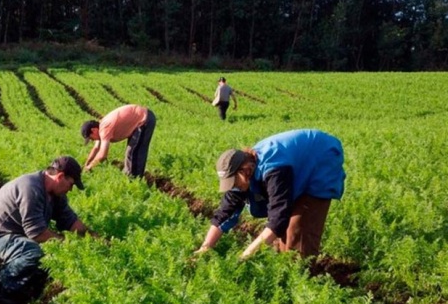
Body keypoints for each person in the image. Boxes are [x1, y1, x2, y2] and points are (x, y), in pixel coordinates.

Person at [194, 129, 346, 260]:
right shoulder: (244, 176)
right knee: (283, 234)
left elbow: (278, 218)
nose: (233, 187)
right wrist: (205, 248)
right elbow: (224, 214)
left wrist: (246, 255)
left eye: (233, 182)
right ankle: (283, 267)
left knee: (298, 232)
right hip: (296, 165)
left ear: (245, 171)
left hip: (321, 158)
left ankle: (299, 276)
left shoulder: (274, 169)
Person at [0, 156, 96, 304]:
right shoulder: (31, 188)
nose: (70, 189)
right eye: (71, 184)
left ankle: (27, 287)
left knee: (43, 255)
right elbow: (37, 234)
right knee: (33, 252)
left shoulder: (56, 194)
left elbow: (70, 221)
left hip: (15, 235)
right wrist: (68, 243)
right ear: (60, 177)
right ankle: (0, 286)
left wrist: (93, 237)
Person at [81, 104, 157, 178]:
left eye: (91, 138)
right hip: (141, 118)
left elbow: (103, 155)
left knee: (134, 152)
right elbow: (96, 148)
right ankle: (130, 177)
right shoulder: (101, 126)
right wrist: (87, 164)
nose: (93, 140)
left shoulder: (104, 128)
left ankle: (133, 179)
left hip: (145, 119)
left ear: (93, 130)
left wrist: (89, 167)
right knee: (131, 151)